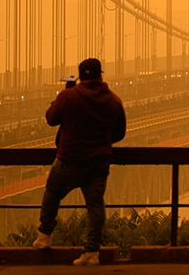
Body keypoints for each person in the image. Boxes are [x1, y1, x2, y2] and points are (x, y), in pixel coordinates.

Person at [33, 58, 126, 266]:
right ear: (100, 75)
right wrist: (100, 141)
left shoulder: (69, 96)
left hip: (70, 160)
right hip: (100, 162)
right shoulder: (114, 100)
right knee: (95, 205)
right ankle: (92, 252)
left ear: (79, 76)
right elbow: (119, 133)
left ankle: (44, 237)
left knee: (52, 193)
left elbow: (51, 119)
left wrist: (63, 93)